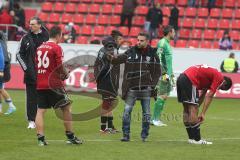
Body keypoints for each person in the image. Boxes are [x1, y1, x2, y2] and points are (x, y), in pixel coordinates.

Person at [107, 32, 161, 142]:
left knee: (146, 113)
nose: (138, 42)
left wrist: (152, 86)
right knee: (127, 111)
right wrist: (110, 57)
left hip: (146, 89)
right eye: (138, 40)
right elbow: (118, 59)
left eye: (141, 40)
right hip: (131, 88)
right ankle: (126, 135)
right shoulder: (131, 51)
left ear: (147, 41)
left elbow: (157, 72)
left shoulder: (153, 54)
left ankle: (144, 135)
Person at [35, 26, 82, 146]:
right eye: (61, 35)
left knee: (40, 111)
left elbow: (38, 65)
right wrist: (65, 74)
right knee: (66, 108)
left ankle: (40, 140)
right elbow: (59, 65)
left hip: (40, 83)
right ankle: (70, 136)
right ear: (58, 35)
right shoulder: (56, 47)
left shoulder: (40, 47)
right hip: (54, 84)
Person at [177, 64, 232, 144]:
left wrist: (197, 107)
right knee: (192, 108)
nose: (218, 88)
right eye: (220, 88)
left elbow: (203, 94)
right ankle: (197, 140)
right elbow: (209, 96)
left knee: (187, 109)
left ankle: (191, 138)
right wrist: (202, 113)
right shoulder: (219, 77)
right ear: (224, 84)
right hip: (190, 79)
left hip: (182, 77)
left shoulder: (209, 77)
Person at [16, 17, 49, 129]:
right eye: (30, 24)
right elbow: (19, 55)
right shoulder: (25, 38)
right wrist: (27, 69)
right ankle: (31, 121)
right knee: (31, 98)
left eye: (33, 24)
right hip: (31, 73)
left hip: (44, 73)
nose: (30, 26)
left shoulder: (46, 37)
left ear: (39, 25)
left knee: (43, 98)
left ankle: (39, 118)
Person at [94, 30, 123, 134]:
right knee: (106, 104)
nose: (121, 41)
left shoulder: (105, 48)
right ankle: (103, 128)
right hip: (107, 80)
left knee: (110, 104)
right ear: (115, 40)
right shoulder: (111, 50)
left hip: (106, 80)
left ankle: (110, 127)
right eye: (119, 39)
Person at [151, 25, 175, 127]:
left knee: (164, 96)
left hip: (167, 74)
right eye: (173, 32)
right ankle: (154, 120)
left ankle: (156, 119)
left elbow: (169, 63)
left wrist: (171, 75)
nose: (174, 34)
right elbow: (158, 59)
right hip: (163, 73)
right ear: (169, 32)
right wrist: (164, 74)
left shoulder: (168, 44)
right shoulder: (162, 43)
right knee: (162, 95)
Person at [0, 31, 16, 115]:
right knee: (0, 88)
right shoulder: (2, 41)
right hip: (4, 65)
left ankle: (11, 106)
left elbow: (2, 58)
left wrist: (1, 70)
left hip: (3, 66)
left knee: (0, 88)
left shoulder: (2, 40)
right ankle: (1, 108)